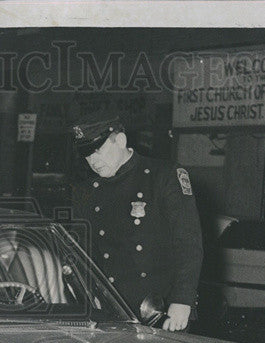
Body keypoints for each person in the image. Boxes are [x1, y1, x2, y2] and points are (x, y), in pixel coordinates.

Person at [69, 112, 204, 331]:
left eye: (98, 150)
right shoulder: (87, 191)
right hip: (110, 310)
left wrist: (183, 300)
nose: (93, 160)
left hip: (159, 309)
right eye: (87, 154)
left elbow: (188, 243)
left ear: (120, 140)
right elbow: (83, 252)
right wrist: (88, 295)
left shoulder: (163, 176)